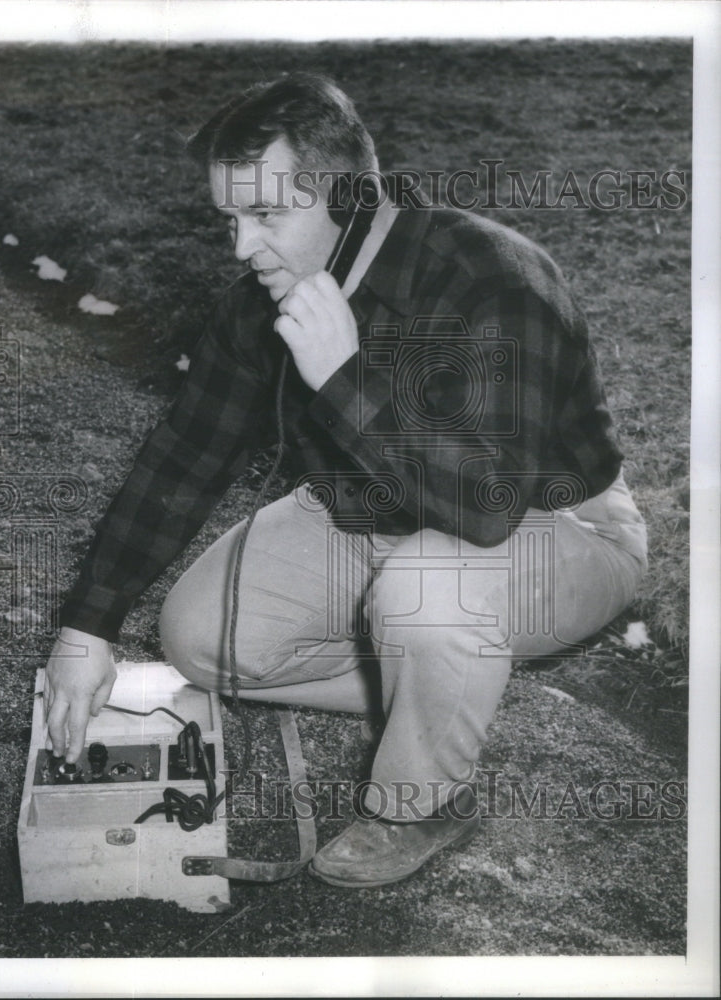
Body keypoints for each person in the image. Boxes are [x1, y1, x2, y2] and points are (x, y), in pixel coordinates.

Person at [45, 73, 648, 888]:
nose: (240, 246)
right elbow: (185, 455)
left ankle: (420, 799)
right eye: (230, 217)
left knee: (429, 589)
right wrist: (87, 630)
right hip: (370, 509)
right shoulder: (264, 298)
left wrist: (343, 376)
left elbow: (485, 507)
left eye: (265, 215)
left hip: (554, 531)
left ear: (351, 198)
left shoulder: (493, 277)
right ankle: (435, 698)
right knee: (202, 637)